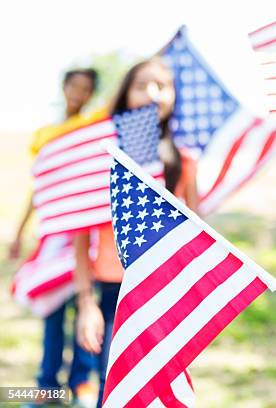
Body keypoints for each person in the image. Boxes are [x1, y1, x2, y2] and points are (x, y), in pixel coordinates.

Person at [72, 57, 199, 407]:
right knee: (111, 389)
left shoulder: (184, 160)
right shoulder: (101, 157)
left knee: (159, 391)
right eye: (142, 84)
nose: (153, 93)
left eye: (163, 85)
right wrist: (86, 303)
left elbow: (196, 234)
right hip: (114, 292)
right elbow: (80, 238)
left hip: (165, 292)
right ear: (126, 93)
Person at [9, 68, 99, 406]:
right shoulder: (47, 134)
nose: (78, 93)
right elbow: (39, 188)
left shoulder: (89, 131)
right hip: (54, 235)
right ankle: (46, 384)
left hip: (85, 234)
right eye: (74, 86)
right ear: (64, 88)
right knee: (52, 309)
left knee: (86, 307)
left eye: (86, 88)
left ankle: (81, 383)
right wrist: (19, 233)